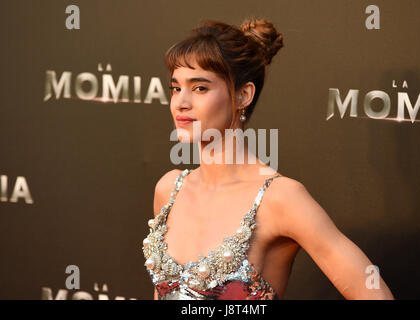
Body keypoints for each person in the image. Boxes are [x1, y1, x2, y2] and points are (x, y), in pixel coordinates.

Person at [142, 17, 394, 300]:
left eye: (200, 88)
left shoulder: (280, 199)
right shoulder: (170, 189)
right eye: (176, 87)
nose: (181, 102)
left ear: (243, 95)